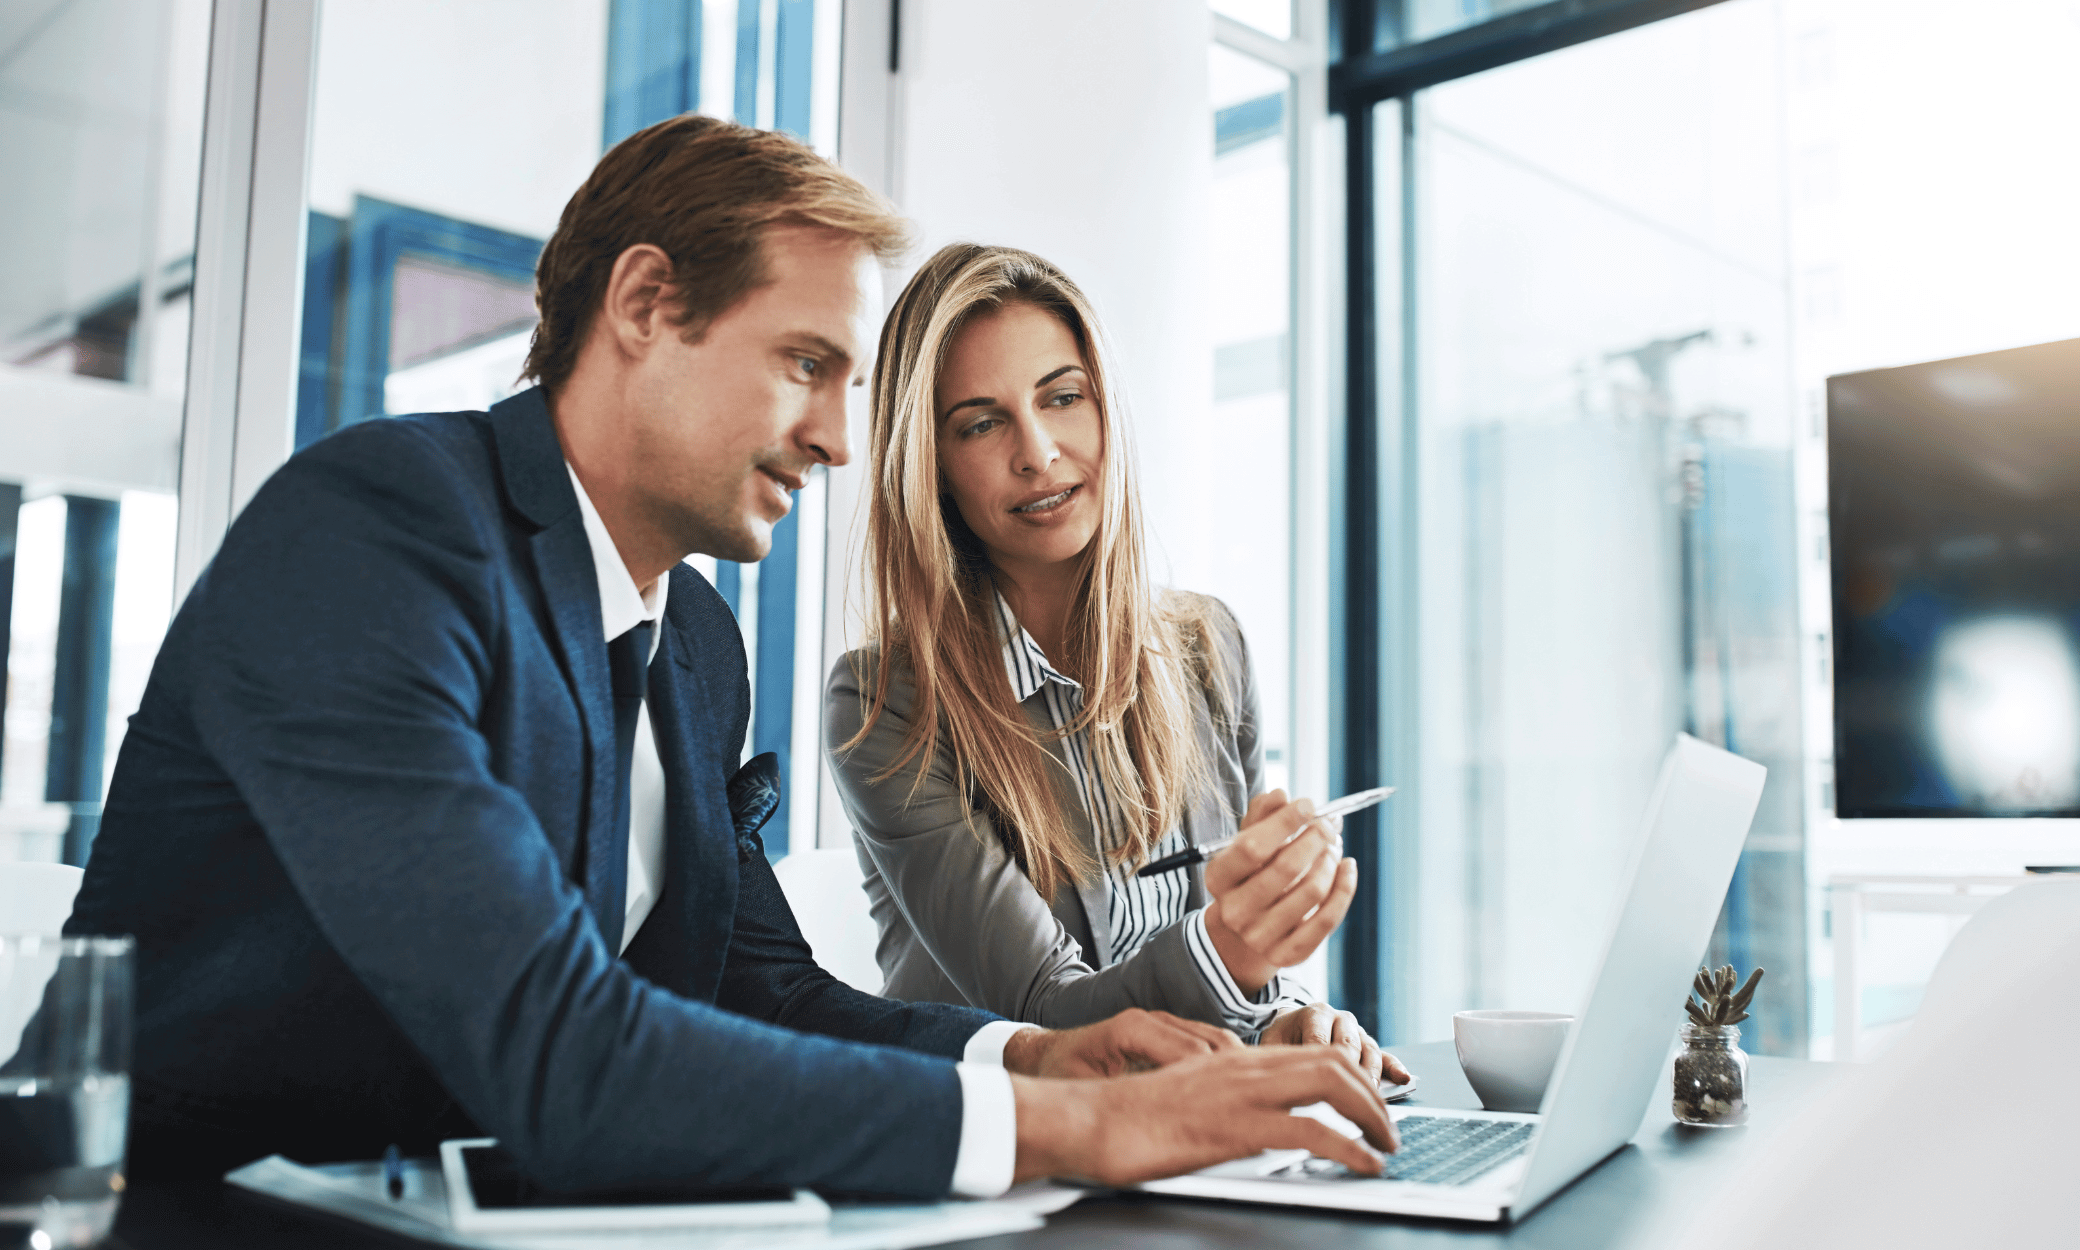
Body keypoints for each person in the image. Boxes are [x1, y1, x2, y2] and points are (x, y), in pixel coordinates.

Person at [65, 115, 1395, 1199]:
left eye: (848, 386)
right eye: (804, 364)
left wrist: (1043, 1056)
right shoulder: (382, 529)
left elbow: (768, 989)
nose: (833, 437)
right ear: (646, 304)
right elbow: (558, 1043)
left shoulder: (692, 642)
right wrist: (1073, 1135)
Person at [824, 244, 1405, 1084]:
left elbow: (1232, 985)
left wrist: (1287, 1015)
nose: (1039, 453)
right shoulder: (884, 703)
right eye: (982, 423)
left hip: (1198, 1132)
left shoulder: (1211, 647)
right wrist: (1232, 951)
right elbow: (1051, 1023)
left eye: (1063, 398)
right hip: (1026, 1156)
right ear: (933, 467)